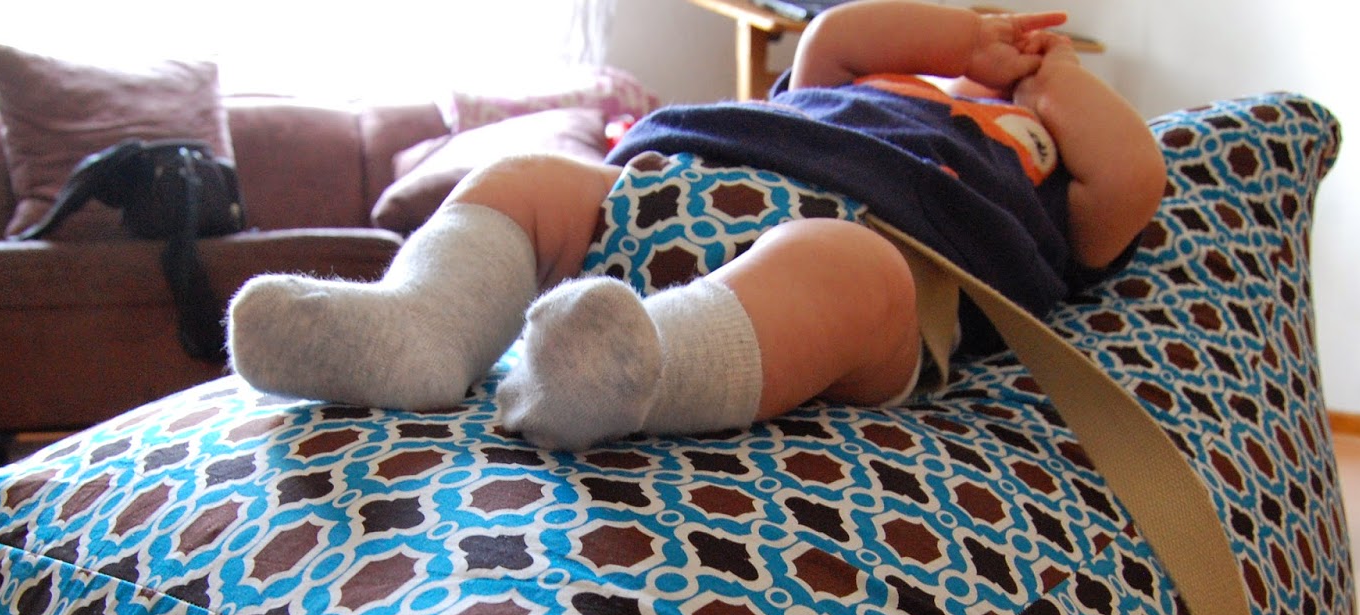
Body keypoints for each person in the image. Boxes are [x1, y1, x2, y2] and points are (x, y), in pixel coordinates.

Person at [226, 1, 1166, 451]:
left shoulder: (1028, 158)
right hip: (679, 189)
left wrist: (1056, 80)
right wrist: (963, 41)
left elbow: (1132, 180)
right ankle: (420, 323)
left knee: (847, 273)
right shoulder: (862, 84)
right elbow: (833, 36)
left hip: (872, 253)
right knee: (531, 180)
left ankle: (639, 368)